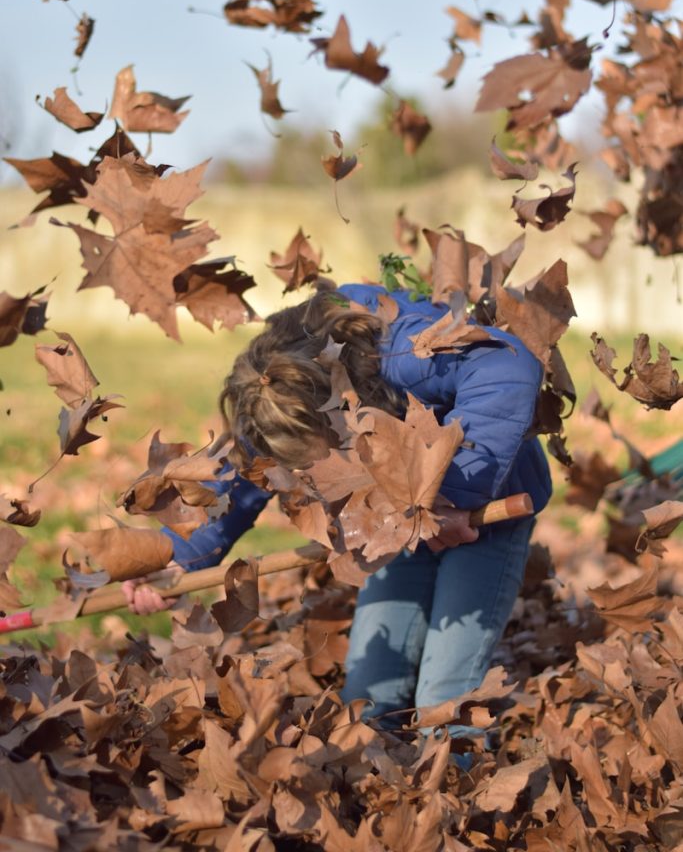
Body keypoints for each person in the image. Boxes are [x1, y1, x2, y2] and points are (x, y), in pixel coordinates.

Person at [123, 282, 552, 727]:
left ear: (335, 403)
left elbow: (506, 364)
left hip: (487, 517)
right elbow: (245, 479)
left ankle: (457, 783)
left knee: (443, 699)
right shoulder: (274, 401)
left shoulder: (399, 352)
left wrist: (455, 497)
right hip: (391, 525)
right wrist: (178, 556)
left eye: (324, 460)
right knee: (368, 697)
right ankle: (388, 785)